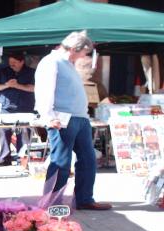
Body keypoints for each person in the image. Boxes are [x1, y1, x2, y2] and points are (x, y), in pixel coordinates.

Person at [34, 31, 111, 210]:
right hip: (62, 118)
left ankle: (84, 199)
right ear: (75, 49)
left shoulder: (67, 63)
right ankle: (52, 203)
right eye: (84, 52)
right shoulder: (51, 62)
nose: (85, 56)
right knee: (61, 161)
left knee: (88, 159)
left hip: (79, 118)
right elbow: (44, 91)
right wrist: (48, 116)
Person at [0, 53, 35, 166]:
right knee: (4, 134)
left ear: (22, 62)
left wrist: (17, 85)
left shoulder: (31, 72)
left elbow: (35, 88)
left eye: (14, 63)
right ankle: (4, 158)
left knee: (24, 135)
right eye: (10, 63)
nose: (12, 65)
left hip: (24, 107)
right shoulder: (3, 71)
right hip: (5, 108)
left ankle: (22, 160)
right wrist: (6, 85)